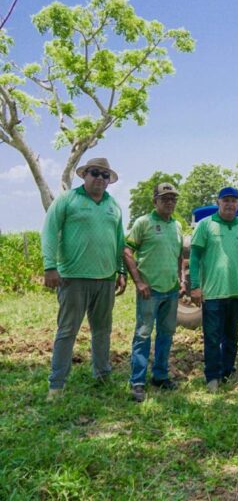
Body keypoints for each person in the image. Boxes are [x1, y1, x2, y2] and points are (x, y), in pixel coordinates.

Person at [41, 157, 127, 401]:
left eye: (104, 175)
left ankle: (102, 375)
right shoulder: (68, 200)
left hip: (106, 279)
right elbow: (49, 231)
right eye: (94, 173)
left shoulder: (114, 206)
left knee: (102, 330)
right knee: (67, 331)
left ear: (109, 181)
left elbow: (119, 242)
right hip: (73, 278)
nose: (99, 178)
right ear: (84, 175)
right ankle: (56, 385)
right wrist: (49, 267)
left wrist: (120, 271)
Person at [123, 182, 184, 402]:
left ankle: (160, 375)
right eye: (165, 198)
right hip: (150, 290)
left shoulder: (176, 225)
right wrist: (138, 281)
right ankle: (137, 381)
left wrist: (181, 279)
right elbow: (127, 250)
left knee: (166, 334)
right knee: (143, 334)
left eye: (173, 198)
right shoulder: (143, 223)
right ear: (155, 201)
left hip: (171, 290)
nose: (169, 202)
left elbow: (178, 255)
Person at [189, 187, 238, 393]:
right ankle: (212, 377)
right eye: (226, 200)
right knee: (213, 337)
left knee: (232, 335)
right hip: (212, 293)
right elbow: (195, 257)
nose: (230, 204)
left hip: (236, 293)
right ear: (218, 202)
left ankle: (227, 371)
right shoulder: (205, 225)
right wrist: (195, 286)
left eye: (234, 201)